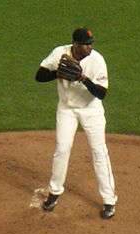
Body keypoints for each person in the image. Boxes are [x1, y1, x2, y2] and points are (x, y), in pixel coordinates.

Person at [35, 27, 117, 219]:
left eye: (91, 44)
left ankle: (109, 200)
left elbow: (101, 93)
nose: (90, 47)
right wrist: (57, 73)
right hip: (66, 110)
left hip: (92, 111)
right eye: (86, 44)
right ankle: (54, 192)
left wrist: (83, 78)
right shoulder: (60, 53)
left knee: (99, 152)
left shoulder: (97, 60)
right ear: (75, 44)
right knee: (62, 149)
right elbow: (38, 76)